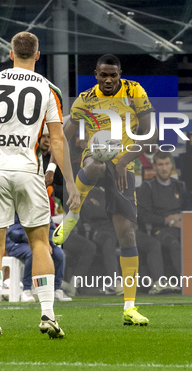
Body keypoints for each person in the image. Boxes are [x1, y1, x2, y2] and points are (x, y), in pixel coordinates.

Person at [0, 31, 79, 340]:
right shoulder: (49, 89)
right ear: (38, 56)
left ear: (10, 54)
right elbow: (56, 139)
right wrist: (70, 182)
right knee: (40, 243)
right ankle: (47, 315)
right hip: (29, 172)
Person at [52, 54, 155, 326]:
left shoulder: (134, 91)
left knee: (128, 234)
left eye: (113, 75)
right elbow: (63, 136)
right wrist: (63, 177)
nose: (108, 79)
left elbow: (151, 133)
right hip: (95, 155)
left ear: (120, 73)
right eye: (103, 75)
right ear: (95, 74)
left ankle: (130, 307)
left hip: (125, 162)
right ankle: (73, 214)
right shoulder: (85, 99)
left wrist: (123, 161)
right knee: (96, 164)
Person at [137, 151, 191, 288]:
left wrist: (180, 218)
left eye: (167, 164)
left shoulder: (181, 186)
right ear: (154, 167)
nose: (164, 168)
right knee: (173, 244)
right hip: (160, 230)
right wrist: (167, 220)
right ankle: (188, 284)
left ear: (172, 166)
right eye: (160, 165)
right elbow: (143, 215)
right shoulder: (147, 187)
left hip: (181, 227)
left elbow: (190, 210)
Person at [5, 214, 72, 302]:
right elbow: (14, 232)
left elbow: (51, 229)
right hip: (17, 243)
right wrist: (38, 240)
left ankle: (56, 289)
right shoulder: (17, 208)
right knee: (34, 252)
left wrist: (46, 241)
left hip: (42, 242)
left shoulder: (42, 207)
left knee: (59, 254)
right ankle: (26, 290)